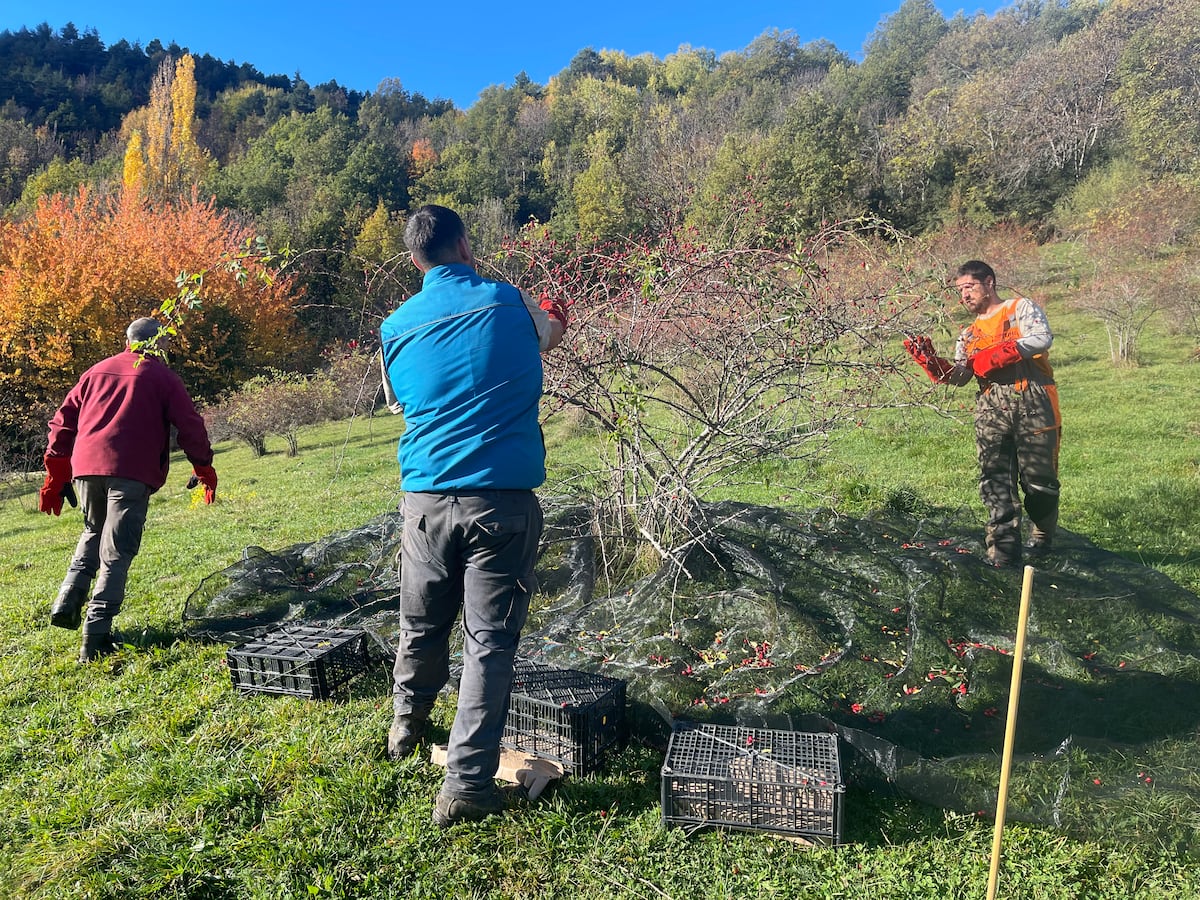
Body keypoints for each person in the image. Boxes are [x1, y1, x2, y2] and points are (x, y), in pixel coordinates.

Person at [379, 204, 568, 827]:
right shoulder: (508, 302)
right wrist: (556, 326)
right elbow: (544, 337)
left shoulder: (394, 327)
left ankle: (406, 731)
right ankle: (465, 785)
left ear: (415, 260)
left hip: (426, 501)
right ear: (464, 244)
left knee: (420, 623)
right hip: (501, 501)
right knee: (487, 644)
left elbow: (400, 397)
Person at [40, 317, 217, 662]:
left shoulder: (96, 371)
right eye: (166, 343)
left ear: (128, 340)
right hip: (131, 472)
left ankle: (68, 599)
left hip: (86, 468)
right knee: (118, 550)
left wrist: (56, 475)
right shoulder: (163, 376)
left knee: (93, 530)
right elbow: (191, 427)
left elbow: (62, 423)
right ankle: (96, 638)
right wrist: (204, 469)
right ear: (159, 344)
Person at [904, 260, 1061, 568]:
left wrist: (1001, 353)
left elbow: (1043, 338)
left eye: (969, 287)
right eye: (959, 290)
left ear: (989, 282)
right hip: (990, 411)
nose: (964, 295)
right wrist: (935, 365)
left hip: (1033, 402)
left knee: (1039, 483)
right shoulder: (968, 334)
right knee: (994, 481)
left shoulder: (1020, 309)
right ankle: (1003, 555)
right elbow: (963, 376)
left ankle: (1042, 535)